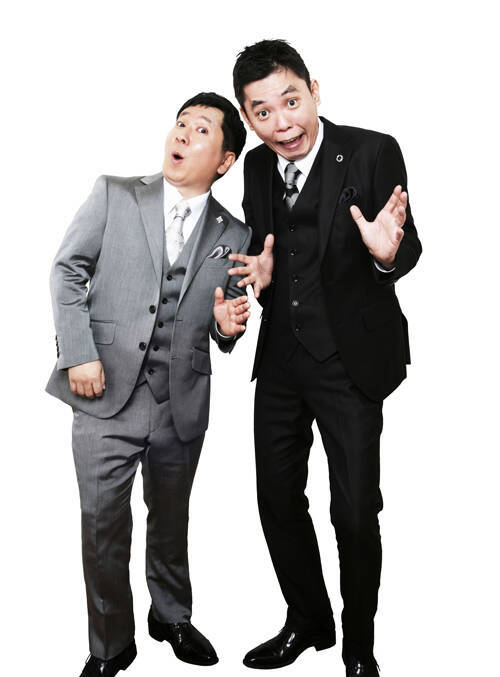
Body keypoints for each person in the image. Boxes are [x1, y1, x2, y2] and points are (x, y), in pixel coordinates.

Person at [228, 40, 422, 677]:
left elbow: (406, 245)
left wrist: (386, 253)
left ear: (314, 91)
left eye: (291, 102)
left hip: (350, 361)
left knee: (355, 512)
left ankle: (359, 647)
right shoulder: (256, 168)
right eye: (262, 112)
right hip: (282, 360)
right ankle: (309, 621)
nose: (281, 123)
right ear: (248, 117)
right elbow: (263, 256)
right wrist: (257, 281)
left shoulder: (371, 150)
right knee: (276, 499)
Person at [46, 92, 250, 677]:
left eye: (201, 129)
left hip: (180, 400)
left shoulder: (236, 233)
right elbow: (67, 270)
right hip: (102, 394)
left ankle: (171, 615)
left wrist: (226, 325)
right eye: (180, 123)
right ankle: (112, 643)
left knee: (172, 518)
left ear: (225, 160)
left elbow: (225, 323)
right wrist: (78, 354)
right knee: (102, 526)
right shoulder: (115, 194)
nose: (181, 134)